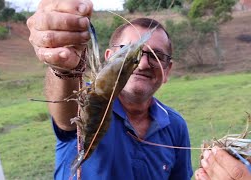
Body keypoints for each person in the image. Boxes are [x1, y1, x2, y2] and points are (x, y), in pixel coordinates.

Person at [27, 0, 192, 179]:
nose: (143, 64)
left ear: (167, 70)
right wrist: (63, 67)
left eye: (156, 56)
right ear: (108, 57)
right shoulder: (84, 96)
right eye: (126, 49)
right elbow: (67, 118)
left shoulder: (176, 126)